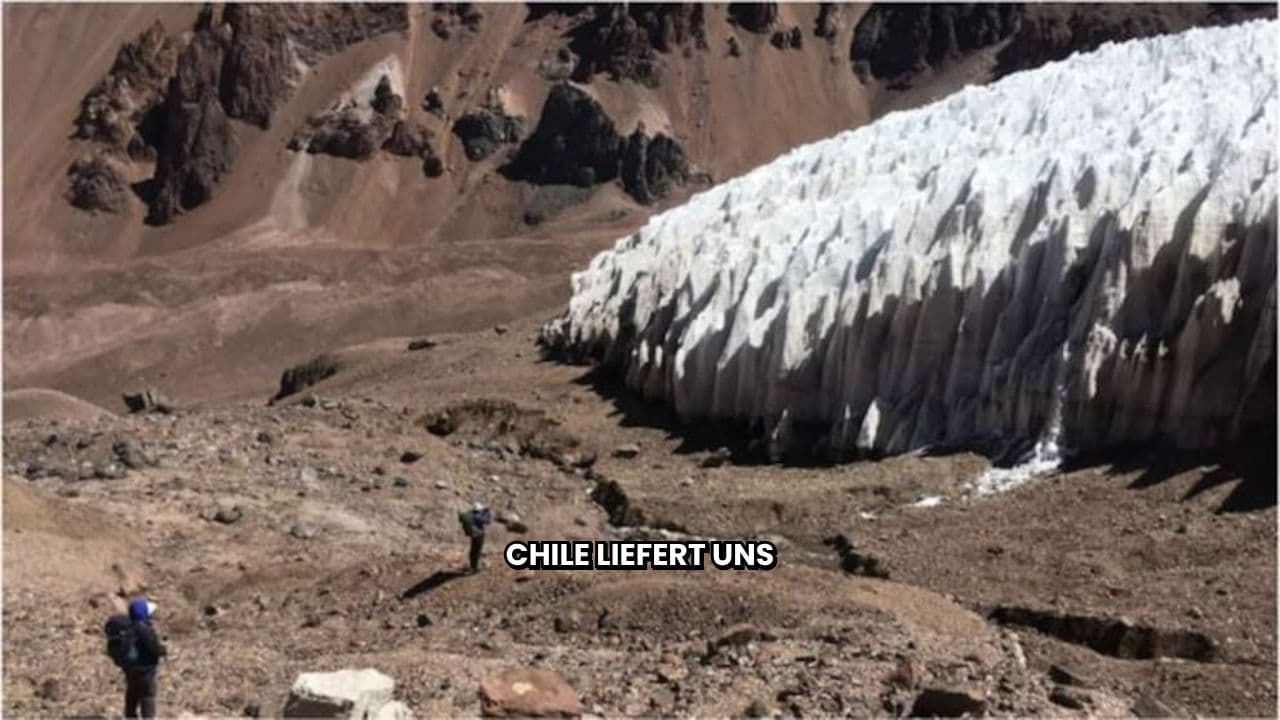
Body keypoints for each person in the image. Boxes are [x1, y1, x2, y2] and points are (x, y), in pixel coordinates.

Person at [121, 597, 167, 719]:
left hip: (131, 672)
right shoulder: (145, 629)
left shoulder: (127, 629)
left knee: (132, 697)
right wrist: (163, 649)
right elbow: (154, 648)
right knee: (147, 697)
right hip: (146, 671)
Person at [458, 501, 493, 573]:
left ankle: (473, 566)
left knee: (473, 551)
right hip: (479, 535)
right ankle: (475, 568)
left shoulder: (470, 514)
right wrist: (487, 513)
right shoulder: (478, 516)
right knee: (477, 551)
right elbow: (487, 521)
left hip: (473, 535)